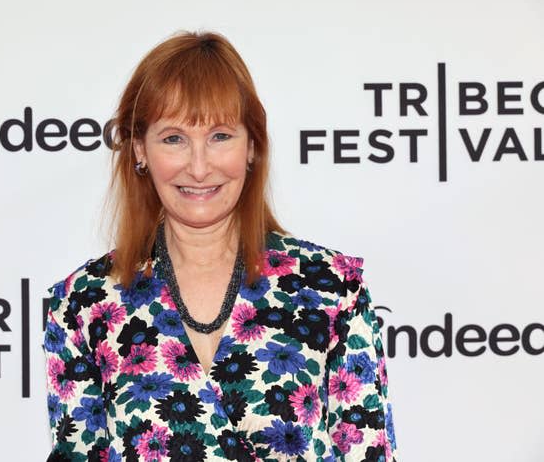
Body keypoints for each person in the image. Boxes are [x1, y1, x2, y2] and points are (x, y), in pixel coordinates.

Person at [43, 30, 398, 462]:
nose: (198, 166)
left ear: (252, 145)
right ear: (140, 149)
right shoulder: (84, 304)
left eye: (220, 137)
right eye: (174, 138)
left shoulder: (331, 290)